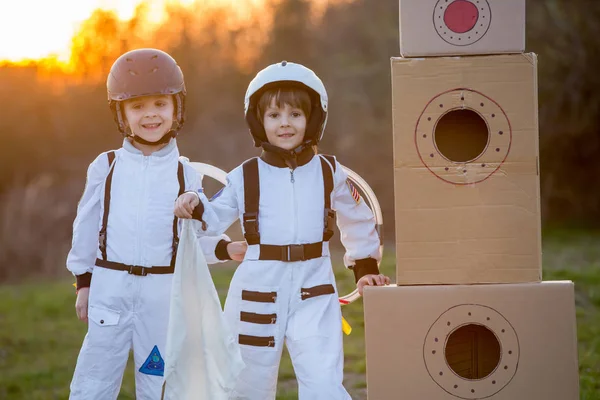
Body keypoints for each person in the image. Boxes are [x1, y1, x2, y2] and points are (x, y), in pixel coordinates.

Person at [174, 61, 391, 399]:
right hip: (257, 289)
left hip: (314, 289)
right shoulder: (244, 176)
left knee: (323, 382)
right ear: (258, 122)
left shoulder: (330, 172)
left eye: (295, 114)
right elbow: (213, 216)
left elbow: (358, 218)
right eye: (274, 116)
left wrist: (365, 268)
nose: (285, 124)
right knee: (245, 384)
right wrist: (194, 201)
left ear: (314, 119)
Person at [66, 48, 245, 400]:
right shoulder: (107, 166)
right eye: (138, 107)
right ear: (121, 113)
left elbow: (190, 240)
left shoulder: (185, 173)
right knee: (93, 382)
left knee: (158, 382)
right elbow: (86, 227)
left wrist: (225, 247)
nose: (151, 115)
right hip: (110, 290)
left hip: (162, 297)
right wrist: (84, 282)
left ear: (176, 108)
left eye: (160, 105)